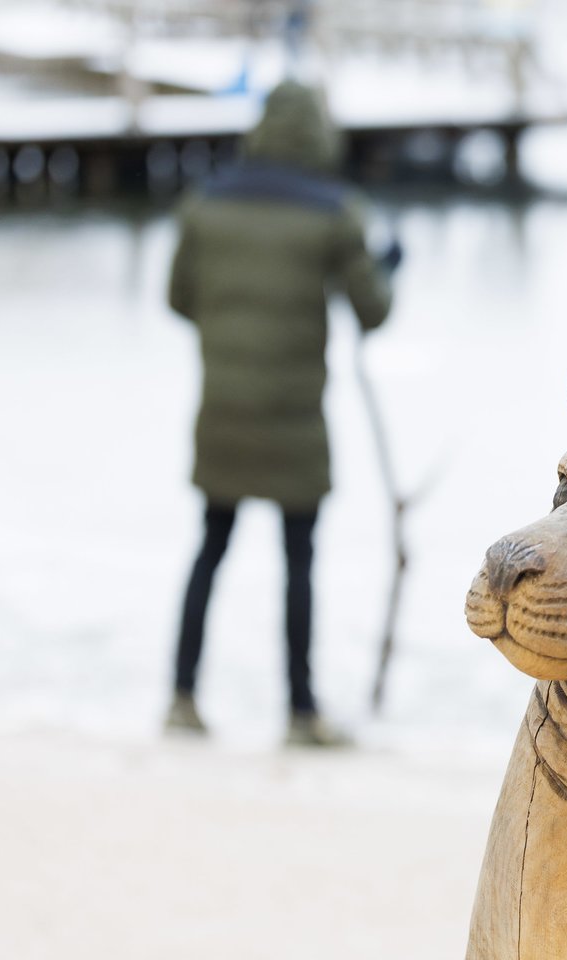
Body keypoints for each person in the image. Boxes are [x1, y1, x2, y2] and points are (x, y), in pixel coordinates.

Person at [165, 81, 401, 748]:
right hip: (296, 417)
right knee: (299, 558)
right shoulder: (336, 211)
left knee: (211, 547)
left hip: (223, 411)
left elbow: (178, 298)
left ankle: (181, 700)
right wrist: (390, 264)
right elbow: (373, 310)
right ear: (318, 134)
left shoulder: (205, 203)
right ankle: (300, 713)